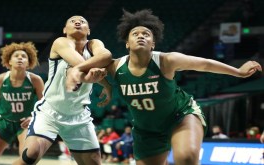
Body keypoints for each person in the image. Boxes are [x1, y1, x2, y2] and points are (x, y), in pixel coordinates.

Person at [102, 9, 262, 165]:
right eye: (135, 34)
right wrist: (104, 84)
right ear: (127, 44)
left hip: (180, 116)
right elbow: (82, 70)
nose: (141, 36)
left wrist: (238, 71)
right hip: (146, 129)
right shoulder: (115, 67)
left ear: (153, 44)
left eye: (146, 34)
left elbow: (205, 64)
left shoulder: (166, 60)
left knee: (186, 158)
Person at [13, 15, 112, 165]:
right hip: (49, 112)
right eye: (72, 21)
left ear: (89, 30)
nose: (78, 22)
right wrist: (101, 81)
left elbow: (106, 56)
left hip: (79, 116)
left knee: (94, 163)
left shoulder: (94, 43)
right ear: (65, 29)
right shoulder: (61, 42)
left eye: (83, 21)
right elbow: (80, 63)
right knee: (31, 154)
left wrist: (104, 84)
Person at [0, 42, 45, 165]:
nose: (20, 58)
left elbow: (44, 104)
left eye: (24, 56)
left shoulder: (35, 80)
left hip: (25, 123)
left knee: (26, 159)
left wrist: (34, 117)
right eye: (16, 56)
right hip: (5, 122)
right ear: (9, 61)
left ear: (28, 62)